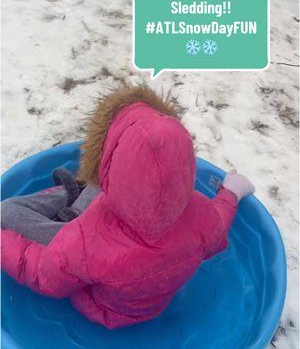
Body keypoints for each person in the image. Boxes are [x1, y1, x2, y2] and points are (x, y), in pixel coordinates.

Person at [1, 84, 255, 329]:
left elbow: (41, 274)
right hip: (151, 305)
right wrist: (231, 192)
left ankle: (71, 200)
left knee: (6, 212)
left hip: (100, 306)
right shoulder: (203, 214)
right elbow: (219, 222)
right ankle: (74, 205)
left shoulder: (86, 242)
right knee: (111, 186)